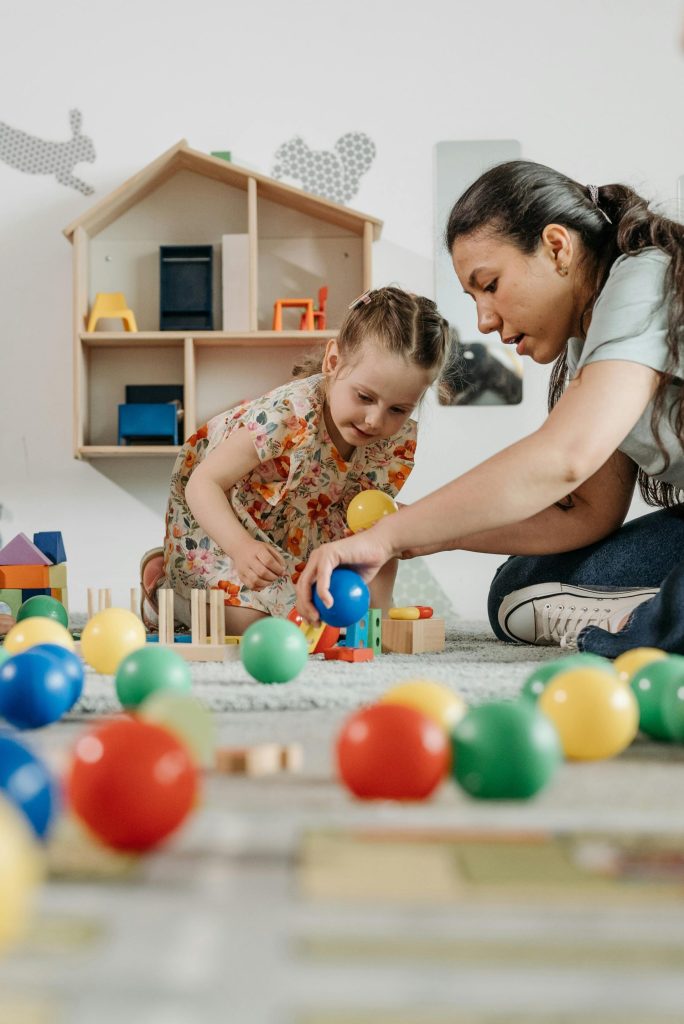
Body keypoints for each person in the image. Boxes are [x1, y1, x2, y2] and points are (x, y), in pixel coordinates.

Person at [296, 160, 684, 657]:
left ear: (557, 247)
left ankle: (649, 625)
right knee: (515, 589)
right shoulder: (584, 340)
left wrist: (389, 536)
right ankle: (653, 615)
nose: (482, 321)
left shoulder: (643, 278)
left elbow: (564, 457)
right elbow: (587, 514)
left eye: (491, 284)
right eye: (473, 296)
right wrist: (424, 534)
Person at [151, 287, 450, 635]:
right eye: (365, 397)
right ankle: (166, 591)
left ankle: (375, 614)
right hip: (220, 533)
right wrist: (241, 548)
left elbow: (373, 525)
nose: (375, 420)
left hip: (291, 539)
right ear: (333, 362)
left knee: (385, 530)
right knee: (257, 627)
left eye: (398, 409)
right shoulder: (287, 415)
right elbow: (203, 484)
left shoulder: (391, 442)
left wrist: (374, 615)